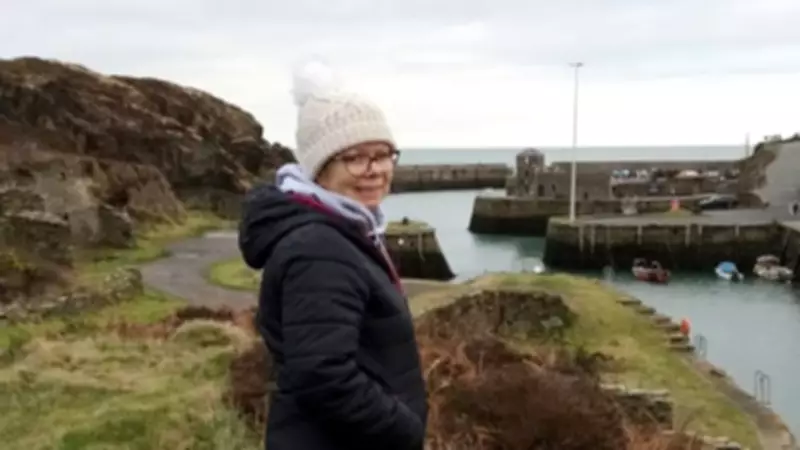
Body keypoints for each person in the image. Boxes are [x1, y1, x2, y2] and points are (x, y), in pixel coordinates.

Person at [237, 61, 428, 450]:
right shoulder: (319, 250)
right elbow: (323, 374)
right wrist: (403, 429)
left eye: (383, 154)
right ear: (319, 168)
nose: (374, 170)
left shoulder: (345, 229)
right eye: (355, 157)